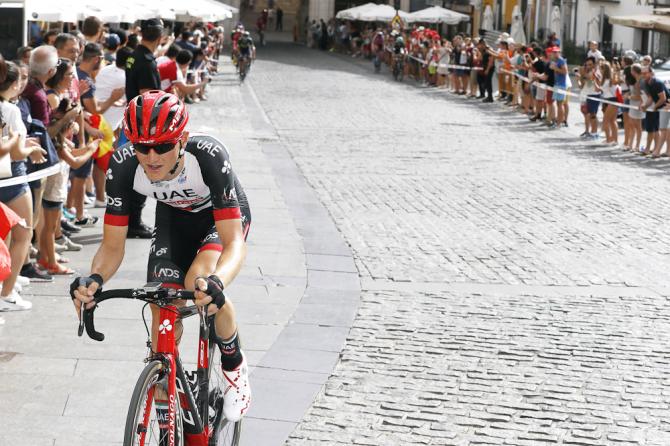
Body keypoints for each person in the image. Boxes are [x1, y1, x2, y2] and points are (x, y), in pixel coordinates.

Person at [70, 90, 252, 423]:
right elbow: (112, 245)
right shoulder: (124, 166)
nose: (152, 157)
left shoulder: (208, 156)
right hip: (174, 221)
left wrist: (218, 282)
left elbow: (234, 243)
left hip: (219, 218)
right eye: (141, 146)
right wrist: (94, 280)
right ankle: (166, 386)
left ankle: (234, 367)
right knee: (161, 303)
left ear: (182, 139)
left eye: (163, 146)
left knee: (199, 281)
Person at [0, 59, 50, 308]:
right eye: (19, 79)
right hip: (13, 179)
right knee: (23, 234)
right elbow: (16, 152)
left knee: (5, 236)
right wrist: (25, 145)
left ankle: (6, 283)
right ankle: (7, 293)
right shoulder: (10, 110)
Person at [124, 18, 165, 239]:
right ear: (159, 38)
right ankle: (134, 222)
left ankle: (132, 220)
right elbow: (147, 97)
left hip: (133, 118)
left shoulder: (132, 54)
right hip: (144, 125)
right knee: (143, 172)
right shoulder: (147, 61)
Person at [641, 66, 666, 156]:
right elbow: (651, 97)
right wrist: (645, 105)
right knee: (653, 129)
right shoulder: (647, 82)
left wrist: (654, 107)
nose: (643, 75)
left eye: (645, 73)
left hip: (665, 107)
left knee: (660, 130)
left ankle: (657, 150)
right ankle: (651, 149)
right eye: (642, 73)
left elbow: (663, 98)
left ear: (651, 73)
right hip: (658, 107)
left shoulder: (657, 83)